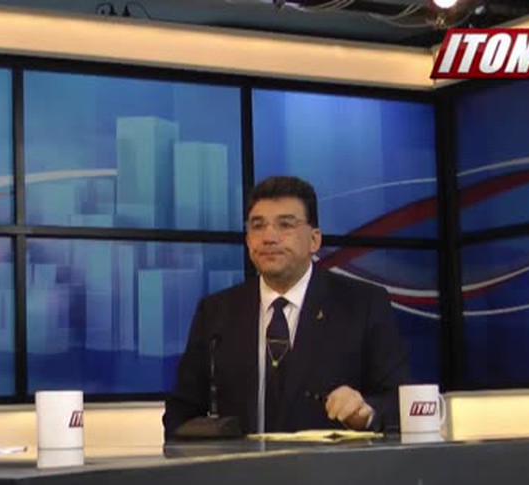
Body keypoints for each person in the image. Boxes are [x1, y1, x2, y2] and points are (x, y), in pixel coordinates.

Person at [163, 175, 410, 439]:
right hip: (239, 465)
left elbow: (400, 402)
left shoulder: (363, 304)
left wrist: (366, 413)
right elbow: (180, 415)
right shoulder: (216, 312)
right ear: (248, 240)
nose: (269, 237)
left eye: (285, 225)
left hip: (328, 464)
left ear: (314, 240)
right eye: (258, 226)